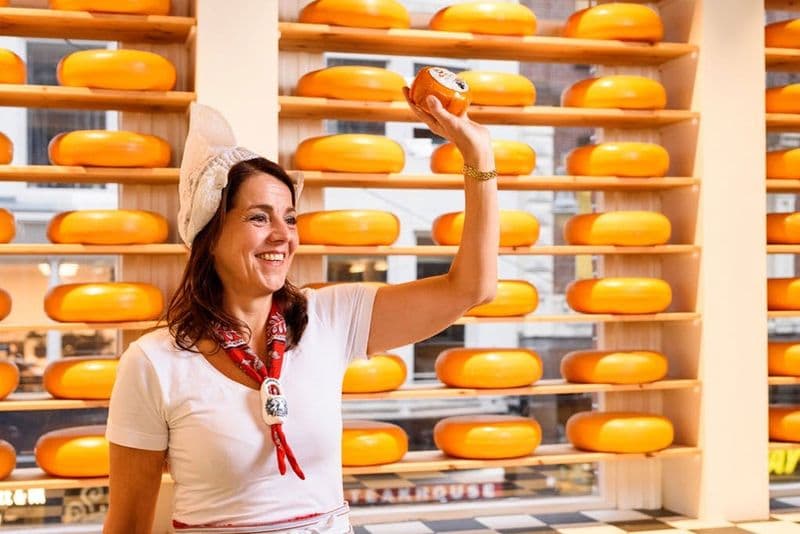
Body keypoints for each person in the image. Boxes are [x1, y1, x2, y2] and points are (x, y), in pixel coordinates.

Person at [102, 86, 499, 533]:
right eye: (258, 217)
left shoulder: (328, 318)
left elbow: (472, 287)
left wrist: (478, 155)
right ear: (210, 233)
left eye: (289, 218)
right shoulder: (154, 362)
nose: (282, 235)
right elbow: (128, 524)